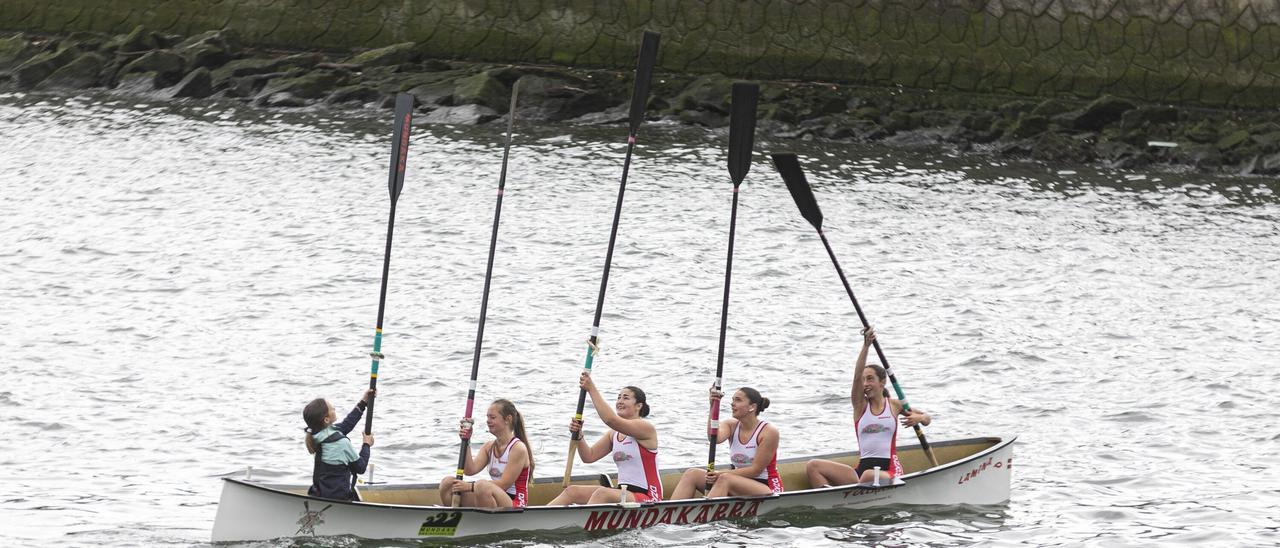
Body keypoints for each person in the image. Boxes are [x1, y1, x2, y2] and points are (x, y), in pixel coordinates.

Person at [805, 327, 932, 488]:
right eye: (864, 380)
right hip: (862, 473)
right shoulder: (860, 406)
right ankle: (830, 498)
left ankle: (851, 493)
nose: (865, 384)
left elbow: (927, 419)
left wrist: (919, 418)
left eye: (870, 379)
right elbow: (856, 377)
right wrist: (866, 346)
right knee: (813, 466)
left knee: (868, 475)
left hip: (889, 470)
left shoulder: (895, 405)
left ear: (882, 382)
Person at [547, 372, 662, 504]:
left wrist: (591, 389)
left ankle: (586, 518)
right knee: (572, 491)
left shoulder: (645, 428)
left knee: (602, 493)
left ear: (639, 406)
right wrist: (579, 435)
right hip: (624, 493)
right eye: (618, 398)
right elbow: (589, 456)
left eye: (625, 398)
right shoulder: (613, 434)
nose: (620, 401)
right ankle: (539, 515)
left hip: (648, 496)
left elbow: (610, 420)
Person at [670, 386, 782, 499]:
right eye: (733, 400)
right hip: (737, 481)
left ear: (752, 407)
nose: (732, 404)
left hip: (765, 486)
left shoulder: (768, 431)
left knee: (725, 478)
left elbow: (755, 470)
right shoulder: (731, 425)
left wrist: (720, 474)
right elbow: (714, 438)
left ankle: (708, 509)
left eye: (738, 400)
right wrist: (713, 405)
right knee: (691, 473)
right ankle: (672, 510)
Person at [438, 399, 533, 508]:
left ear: (508, 419)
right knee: (447, 484)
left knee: (482, 486)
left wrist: (469, 486)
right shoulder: (489, 447)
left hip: (515, 502)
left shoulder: (518, 448)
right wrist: (466, 440)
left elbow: (504, 484)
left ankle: (485, 517)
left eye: (492, 417)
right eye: (487, 417)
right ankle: (458, 516)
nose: (488, 421)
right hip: (493, 496)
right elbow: (469, 470)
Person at [302, 389, 375, 500]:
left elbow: (346, 425)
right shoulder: (341, 443)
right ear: (326, 420)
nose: (334, 409)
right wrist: (366, 445)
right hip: (339, 498)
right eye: (331, 409)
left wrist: (363, 402)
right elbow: (360, 467)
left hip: (320, 493)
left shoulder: (316, 434)